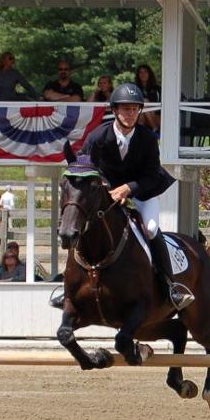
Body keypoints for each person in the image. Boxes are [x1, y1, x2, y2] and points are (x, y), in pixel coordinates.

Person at [79, 81, 190, 310]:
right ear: (114, 110)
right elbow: (85, 166)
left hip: (142, 191)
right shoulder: (97, 137)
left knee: (149, 228)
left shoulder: (147, 138)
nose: (130, 114)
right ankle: (71, 286)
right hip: (107, 194)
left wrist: (128, 188)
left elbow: (151, 175)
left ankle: (170, 286)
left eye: (134, 109)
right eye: (125, 109)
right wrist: (106, 188)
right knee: (84, 225)